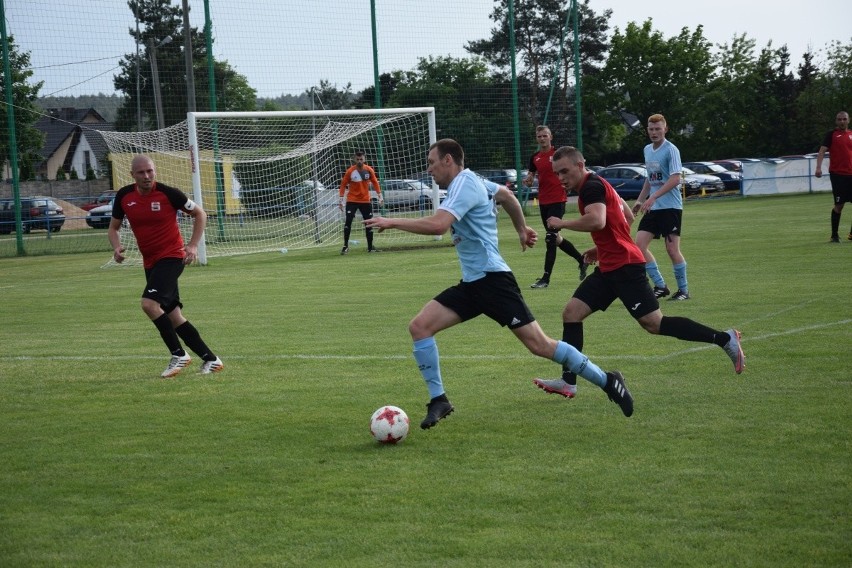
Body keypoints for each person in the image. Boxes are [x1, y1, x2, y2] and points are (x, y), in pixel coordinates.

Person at [364, 138, 635, 426]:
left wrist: (392, 222)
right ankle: (439, 400)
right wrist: (521, 229)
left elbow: (439, 225)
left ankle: (608, 380)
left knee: (540, 345)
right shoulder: (473, 182)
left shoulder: (465, 184)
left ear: (448, 160)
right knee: (419, 327)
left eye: (432, 163)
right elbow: (506, 194)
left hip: (493, 282)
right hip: (473, 284)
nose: (429, 169)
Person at [532, 146, 744, 400]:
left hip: (625, 267)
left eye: (564, 171)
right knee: (571, 313)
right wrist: (602, 247)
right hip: (610, 266)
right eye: (557, 173)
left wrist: (562, 223)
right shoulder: (598, 185)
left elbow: (598, 221)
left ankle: (724, 338)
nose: (560, 178)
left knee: (654, 324)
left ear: (580, 165)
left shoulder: (591, 188)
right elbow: (626, 216)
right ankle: (568, 382)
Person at [108, 155, 224, 378]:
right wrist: (117, 247)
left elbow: (200, 214)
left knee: (149, 304)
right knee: (173, 315)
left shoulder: (169, 193)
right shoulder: (124, 196)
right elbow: (114, 228)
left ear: (155, 171)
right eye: (141, 172)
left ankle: (179, 355)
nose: (147, 176)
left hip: (172, 257)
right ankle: (212, 360)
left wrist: (192, 246)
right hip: (150, 261)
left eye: (150, 171)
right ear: (132, 175)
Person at [632, 113, 690, 301]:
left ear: (665, 129)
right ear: (647, 130)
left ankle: (683, 291)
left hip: (671, 207)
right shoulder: (648, 149)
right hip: (653, 207)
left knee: (672, 250)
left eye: (658, 129)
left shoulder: (671, 150)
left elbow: (675, 179)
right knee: (638, 246)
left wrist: (654, 197)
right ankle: (660, 286)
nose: (654, 132)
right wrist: (640, 200)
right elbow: (650, 179)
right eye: (651, 129)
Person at [524, 125, 588, 288]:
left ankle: (545, 279)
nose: (542, 139)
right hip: (543, 201)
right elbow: (530, 176)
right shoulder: (535, 157)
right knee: (556, 238)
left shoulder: (559, 155)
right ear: (536, 138)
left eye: (545, 135)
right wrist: (528, 180)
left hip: (558, 200)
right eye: (539, 136)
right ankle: (582, 260)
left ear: (550, 137)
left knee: (550, 239)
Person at [815, 111, 852, 242]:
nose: (842, 121)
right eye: (839, 119)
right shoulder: (831, 135)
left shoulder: (851, 134)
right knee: (839, 205)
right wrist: (818, 167)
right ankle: (834, 236)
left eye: (844, 119)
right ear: (836, 121)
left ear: (848, 120)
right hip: (838, 175)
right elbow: (822, 151)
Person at [338, 150, 383, 254]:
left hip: (365, 200)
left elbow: (375, 182)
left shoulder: (369, 170)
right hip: (352, 200)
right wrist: (341, 200)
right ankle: (345, 246)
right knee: (348, 221)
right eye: (357, 159)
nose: (359, 161)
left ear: (364, 159)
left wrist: (380, 196)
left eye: (361, 159)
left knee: (369, 222)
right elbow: (343, 185)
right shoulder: (350, 171)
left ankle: (370, 247)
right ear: (354, 159)